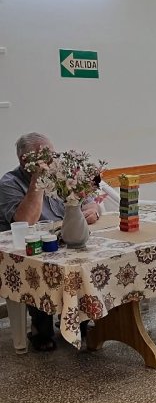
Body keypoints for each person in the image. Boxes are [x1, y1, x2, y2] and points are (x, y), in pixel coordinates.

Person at [0, 132, 102, 351]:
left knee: (89, 261)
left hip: (64, 241)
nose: (50, 162)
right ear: (23, 161)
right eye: (42, 157)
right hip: (30, 249)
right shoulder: (10, 182)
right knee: (42, 269)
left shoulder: (61, 175)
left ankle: (80, 320)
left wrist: (91, 210)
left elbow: (89, 201)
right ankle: (40, 328)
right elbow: (26, 221)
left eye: (51, 155)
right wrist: (38, 179)